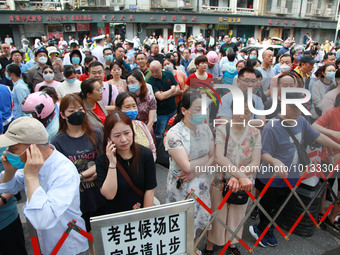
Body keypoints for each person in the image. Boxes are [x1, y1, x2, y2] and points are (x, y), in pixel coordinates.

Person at [250, 92, 340, 248]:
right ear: (283, 105)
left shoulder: (302, 122)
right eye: (293, 107)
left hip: (292, 175)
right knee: (268, 206)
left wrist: (338, 146)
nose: (297, 111)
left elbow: (318, 136)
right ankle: (261, 229)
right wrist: (274, 161)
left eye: (301, 107)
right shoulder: (272, 127)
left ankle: (268, 228)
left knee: (280, 206)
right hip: (271, 177)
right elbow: (263, 154)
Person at [0, 117, 89, 254]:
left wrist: (31, 176)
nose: (9, 152)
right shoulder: (32, 165)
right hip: (46, 244)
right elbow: (7, 188)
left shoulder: (63, 171)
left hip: (68, 245)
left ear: (32, 148)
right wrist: (9, 171)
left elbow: (43, 219)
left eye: (14, 148)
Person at [51, 94, 106, 254]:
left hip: (98, 194)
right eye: (71, 110)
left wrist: (79, 176)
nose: (77, 113)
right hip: (77, 200)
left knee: (100, 237)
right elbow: (62, 175)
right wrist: (85, 174)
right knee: (85, 238)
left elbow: (102, 162)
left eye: (80, 109)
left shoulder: (95, 133)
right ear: (62, 115)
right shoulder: (57, 141)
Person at [206, 97, 261, 255]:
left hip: (243, 181)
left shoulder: (255, 133)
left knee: (238, 213)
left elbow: (256, 161)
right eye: (239, 111)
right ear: (231, 111)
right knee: (218, 213)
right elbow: (219, 157)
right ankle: (210, 245)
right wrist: (239, 176)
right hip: (221, 180)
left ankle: (231, 243)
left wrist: (238, 177)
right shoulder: (223, 129)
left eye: (247, 112)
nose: (243, 115)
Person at [165, 90, 214, 235]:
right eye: (198, 109)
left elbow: (214, 157)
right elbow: (186, 167)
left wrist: (196, 172)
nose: (202, 113)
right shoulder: (174, 134)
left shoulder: (205, 128)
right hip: (182, 189)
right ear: (184, 111)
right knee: (181, 226)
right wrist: (205, 158)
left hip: (202, 185)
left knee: (197, 223)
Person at [96, 110, 157, 213]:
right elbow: (109, 195)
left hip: (140, 212)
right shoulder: (102, 159)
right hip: (116, 216)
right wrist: (112, 163)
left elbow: (150, 189)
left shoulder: (145, 154)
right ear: (108, 137)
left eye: (127, 133)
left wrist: (145, 216)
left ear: (133, 131)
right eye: (117, 135)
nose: (123, 139)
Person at [312, 94, 340, 232]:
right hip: (330, 155)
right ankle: (321, 214)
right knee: (324, 185)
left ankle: (332, 218)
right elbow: (315, 126)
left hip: (333, 156)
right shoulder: (333, 112)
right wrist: (334, 133)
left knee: (326, 186)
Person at [115, 92, 156, 161]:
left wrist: (150, 162)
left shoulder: (141, 125)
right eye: (127, 107)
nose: (132, 109)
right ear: (118, 109)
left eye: (134, 106)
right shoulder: (114, 129)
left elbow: (152, 148)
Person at [148, 60, 182, 137]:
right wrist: (172, 90)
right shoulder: (151, 81)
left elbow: (178, 89)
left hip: (173, 110)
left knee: (175, 130)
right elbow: (160, 97)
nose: (154, 74)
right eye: (152, 72)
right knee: (161, 133)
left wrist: (165, 94)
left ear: (161, 68)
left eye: (156, 71)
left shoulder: (169, 74)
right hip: (161, 113)